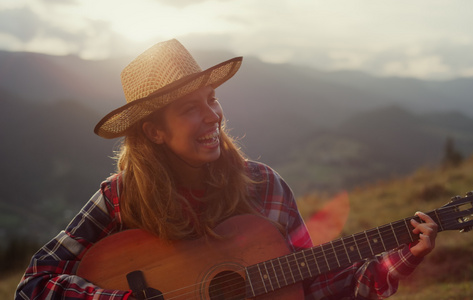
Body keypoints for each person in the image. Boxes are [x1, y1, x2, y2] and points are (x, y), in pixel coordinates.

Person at [15, 39, 438, 300]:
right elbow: (35, 284)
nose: (213, 116)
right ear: (155, 132)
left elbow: (312, 284)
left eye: (212, 100)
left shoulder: (264, 186)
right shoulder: (120, 196)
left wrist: (400, 257)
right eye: (190, 109)